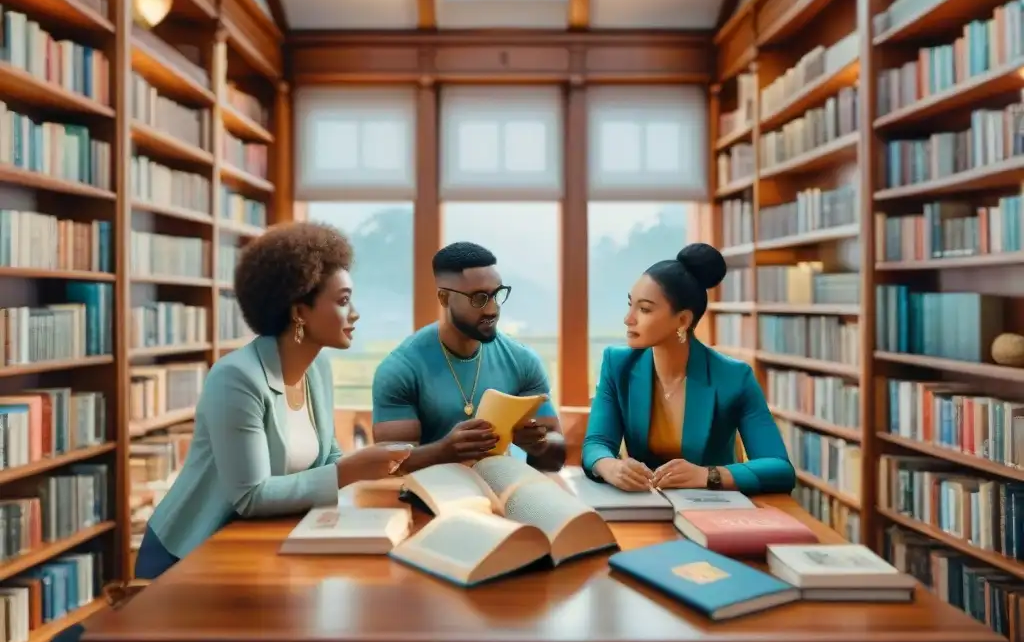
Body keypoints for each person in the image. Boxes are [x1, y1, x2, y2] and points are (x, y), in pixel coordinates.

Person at [134, 222, 411, 579]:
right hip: (190, 555)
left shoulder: (317, 369)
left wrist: (370, 467)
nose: (354, 313)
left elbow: (326, 458)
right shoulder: (236, 378)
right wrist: (352, 470)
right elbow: (250, 496)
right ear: (299, 312)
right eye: (343, 301)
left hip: (258, 544)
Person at [581, 242, 794, 495]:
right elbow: (596, 443)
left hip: (713, 507)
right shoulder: (618, 365)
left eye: (644, 309)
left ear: (682, 320)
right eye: (631, 304)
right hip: (644, 504)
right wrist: (610, 466)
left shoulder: (734, 377)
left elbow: (780, 468)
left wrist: (708, 474)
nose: (629, 318)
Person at [371, 242, 565, 472]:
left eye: (496, 294)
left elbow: (557, 453)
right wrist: (445, 451)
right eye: (479, 298)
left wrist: (540, 445)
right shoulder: (401, 369)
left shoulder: (522, 360)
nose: (492, 309)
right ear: (444, 298)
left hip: (500, 488)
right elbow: (389, 464)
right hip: (429, 496)